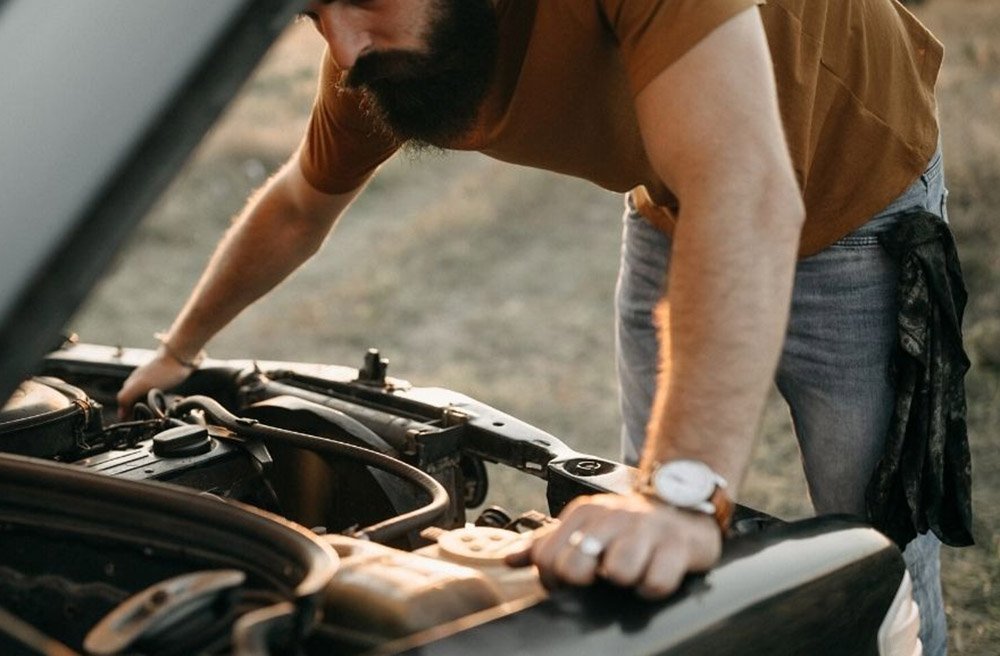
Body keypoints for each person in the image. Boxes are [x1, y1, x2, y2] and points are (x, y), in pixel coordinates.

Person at [117, 1, 953, 652]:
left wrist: (681, 492)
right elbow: (301, 204)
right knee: (647, 538)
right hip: (672, 210)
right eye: (312, 17)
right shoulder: (375, 57)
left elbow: (745, 190)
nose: (344, 48)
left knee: (877, 535)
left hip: (860, 207)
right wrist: (178, 350)